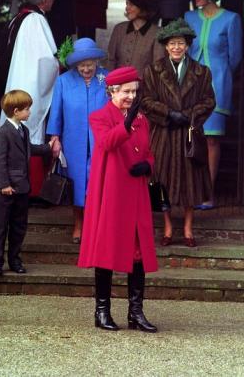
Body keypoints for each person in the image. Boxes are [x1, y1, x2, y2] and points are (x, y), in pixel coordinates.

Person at [78, 66, 158, 332]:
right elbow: (106, 143)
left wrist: (148, 165)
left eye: (134, 91)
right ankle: (102, 312)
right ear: (112, 91)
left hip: (135, 191)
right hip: (111, 192)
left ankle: (136, 313)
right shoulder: (100, 116)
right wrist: (125, 123)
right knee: (107, 248)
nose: (131, 97)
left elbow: (147, 151)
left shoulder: (141, 119)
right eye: (126, 92)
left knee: (138, 252)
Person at [141, 18, 215, 247]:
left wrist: (189, 114)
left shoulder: (202, 72)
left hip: (189, 135)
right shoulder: (153, 71)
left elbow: (209, 101)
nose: (176, 47)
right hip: (163, 133)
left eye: (181, 43)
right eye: (172, 43)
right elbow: (145, 100)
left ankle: (188, 229)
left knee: (190, 181)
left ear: (187, 45)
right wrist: (168, 113)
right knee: (161, 180)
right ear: (165, 45)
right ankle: (168, 228)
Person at [185, 0, 242, 209]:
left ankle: (208, 193)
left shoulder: (231, 19)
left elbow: (235, 58)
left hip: (218, 85)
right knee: (189, 138)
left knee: (211, 140)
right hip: (190, 85)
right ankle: (188, 190)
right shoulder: (188, 17)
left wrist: (220, 74)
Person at [0, 0, 59, 199]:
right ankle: (31, 190)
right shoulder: (35, 20)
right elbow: (46, 62)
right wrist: (61, 63)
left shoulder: (19, 17)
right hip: (30, 87)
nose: (54, 0)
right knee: (31, 132)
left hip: (16, 81)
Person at [46, 38, 108, 243]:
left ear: (96, 62)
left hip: (102, 140)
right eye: (82, 65)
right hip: (73, 141)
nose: (86, 68)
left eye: (90, 64)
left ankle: (96, 224)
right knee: (76, 183)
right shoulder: (63, 81)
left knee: (98, 182)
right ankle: (78, 224)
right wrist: (54, 137)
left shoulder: (107, 79)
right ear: (75, 64)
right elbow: (56, 112)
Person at [0, 90, 54, 276]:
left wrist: (48, 148)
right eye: (27, 109)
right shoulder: (1, 133)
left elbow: (29, 149)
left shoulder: (23, 131)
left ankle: (14, 259)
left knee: (19, 226)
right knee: (1, 226)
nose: (29, 112)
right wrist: (4, 184)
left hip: (22, 187)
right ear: (16, 111)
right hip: (6, 188)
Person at [108, 0, 165, 75]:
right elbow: (110, 60)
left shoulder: (157, 33)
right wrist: (110, 83)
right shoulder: (119, 29)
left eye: (131, 5)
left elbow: (158, 67)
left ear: (142, 8)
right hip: (117, 85)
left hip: (144, 86)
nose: (127, 8)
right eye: (126, 4)